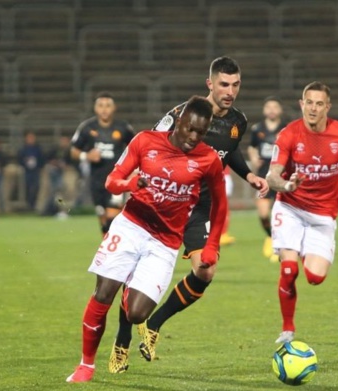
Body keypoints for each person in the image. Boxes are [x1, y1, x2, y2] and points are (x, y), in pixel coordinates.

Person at [112, 56, 269, 369]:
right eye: (224, 84)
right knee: (135, 275)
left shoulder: (238, 121)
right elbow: (150, 147)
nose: (230, 91)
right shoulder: (182, 116)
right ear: (209, 83)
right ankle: (122, 340)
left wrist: (248, 174)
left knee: (205, 271)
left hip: (201, 207)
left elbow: (229, 150)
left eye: (236, 84)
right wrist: (133, 184)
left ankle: (154, 326)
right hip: (166, 203)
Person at [66, 96, 227, 383]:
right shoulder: (145, 141)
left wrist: (212, 244)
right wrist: (129, 184)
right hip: (131, 225)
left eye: (200, 133)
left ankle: (131, 286)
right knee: (103, 293)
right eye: (189, 129)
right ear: (179, 122)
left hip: (165, 242)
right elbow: (112, 180)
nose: (193, 137)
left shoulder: (208, 159)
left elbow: (220, 204)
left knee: (137, 314)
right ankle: (86, 365)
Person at [265, 81, 338, 344]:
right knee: (289, 270)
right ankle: (288, 329)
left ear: (327, 106)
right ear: (301, 104)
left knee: (315, 277)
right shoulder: (289, 134)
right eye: (309, 103)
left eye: (319, 103)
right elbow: (272, 177)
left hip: (323, 216)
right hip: (290, 208)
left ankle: (301, 247)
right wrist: (288, 185)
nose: (313, 108)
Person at [69, 92, 136, 234]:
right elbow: (73, 151)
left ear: (114, 108)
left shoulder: (123, 127)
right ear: (95, 108)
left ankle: (115, 251)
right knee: (103, 220)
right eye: (100, 105)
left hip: (117, 179)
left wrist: (134, 169)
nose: (104, 109)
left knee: (113, 218)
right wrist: (86, 155)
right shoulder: (87, 127)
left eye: (108, 105)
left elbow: (137, 148)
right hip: (97, 181)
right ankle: (107, 251)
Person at [248, 96, 287, 261]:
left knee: (283, 213)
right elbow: (252, 146)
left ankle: (282, 245)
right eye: (268, 107)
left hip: (280, 176)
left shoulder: (286, 129)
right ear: (264, 110)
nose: (271, 110)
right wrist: (253, 157)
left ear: (280, 110)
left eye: (275, 107)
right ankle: (270, 237)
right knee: (263, 214)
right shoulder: (257, 129)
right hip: (263, 175)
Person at [42, 135, 70, 217]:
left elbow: (72, 164)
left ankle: (63, 210)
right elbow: (46, 160)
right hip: (54, 174)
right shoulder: (54, 150)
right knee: (56, 192)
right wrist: (54, 163)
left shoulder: (69, 152)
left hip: (64, 174)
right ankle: (52, 210)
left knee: (59, 192)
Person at [17, 131, 45, 211]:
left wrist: (39, 165)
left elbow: (42, 158)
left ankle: (33, 204)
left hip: (36, 171)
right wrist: (25, 162)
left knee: (36, 187)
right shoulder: (23, 149)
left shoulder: (38, 149)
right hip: (27, 171)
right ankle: (29, 205)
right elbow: (20, 159)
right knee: (27, 188)